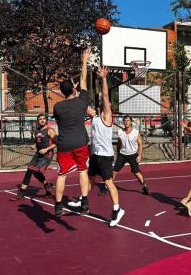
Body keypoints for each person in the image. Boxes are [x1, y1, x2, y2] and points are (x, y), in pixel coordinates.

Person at [69, 66, 125, 227]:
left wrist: (103, 78)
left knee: (108, 183)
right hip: (95, 155)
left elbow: (106, 95)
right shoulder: (95, 117)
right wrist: (75, 91)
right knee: (90, 179)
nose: (101, 104)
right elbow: (82, 103)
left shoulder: (107, 117)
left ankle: (117, 210)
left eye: (103, 103)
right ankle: (82, 199)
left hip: (105, 157)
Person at [52, 49, 91, 217]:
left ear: (62, 92)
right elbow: (83, 81)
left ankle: (59, 205)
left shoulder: (58, 107)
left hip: (64, 144)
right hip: (80, 143)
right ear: (74, 90)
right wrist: (84, 60)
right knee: (82, 171)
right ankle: (84, 201)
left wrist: (72, 93)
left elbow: (60, 120)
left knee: (62, 174)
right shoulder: (81, 102)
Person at [11, 114, 57, 200]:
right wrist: (34, 146)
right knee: (30, 171)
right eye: (40, 119)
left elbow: (56, 142)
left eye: (43, 119)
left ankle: (46, 187)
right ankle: (23, 194)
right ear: (37, 121)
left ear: (46, 120)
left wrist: (46, 149)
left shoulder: (50, 130)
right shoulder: (36, 131)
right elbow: (37, 142)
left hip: (47, 155)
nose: (42, 120)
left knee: (36, 171)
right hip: (38, 154)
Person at [112, 115, 149, 195]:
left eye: (128, 120)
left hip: (133, 155)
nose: (126, 122)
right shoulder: (120, 132)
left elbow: (140, 144)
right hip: (122, 155)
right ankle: (108, 186)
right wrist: (118, 153)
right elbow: (119, 143)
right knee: (114, 171)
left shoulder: (136, 132)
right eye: (125, 120)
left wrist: (139, 155)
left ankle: (144, 186)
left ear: (131, 122)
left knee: (136, 173)